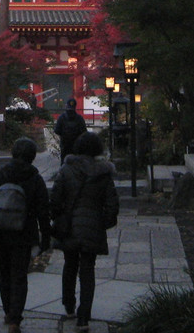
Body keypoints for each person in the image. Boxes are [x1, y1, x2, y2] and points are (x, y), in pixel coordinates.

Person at [0, 137, 52, 333]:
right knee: (19, 276)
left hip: (0, 231)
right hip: (24, 232)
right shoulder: (35, 179)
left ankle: (8, 312)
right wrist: (46, 237)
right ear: (32, 157)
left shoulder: (1, 174)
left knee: (4, 272)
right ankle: (16, 319)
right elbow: (43, 211)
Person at [50, 131, 119, 332]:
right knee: (88, 269)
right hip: (92, 225)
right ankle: (84, 317)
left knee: (70, 264)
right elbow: (112, 204)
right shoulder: (103, 173)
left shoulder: (67, 170)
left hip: (70, 225)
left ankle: (69, 305)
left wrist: (58, 218)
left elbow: (55, 198)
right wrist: (102, 222)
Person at [53, 98, 87, 164]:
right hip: (77, 145)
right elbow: (84, 132)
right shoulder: (79, 118)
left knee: (65, 163)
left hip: (65, 145)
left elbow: (57, 131)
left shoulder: (61, 117)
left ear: (66, 106)